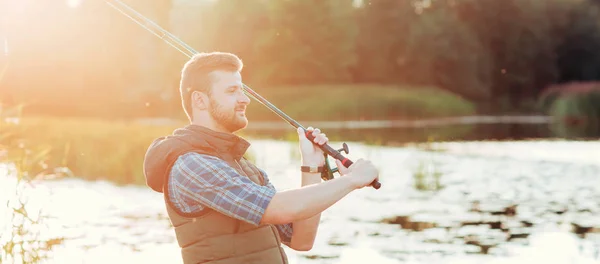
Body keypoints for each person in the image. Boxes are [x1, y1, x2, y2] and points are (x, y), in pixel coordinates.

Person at [142, 51, 380, 264]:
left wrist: (312, 166)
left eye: (243, 90)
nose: (245, 99)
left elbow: (301, 240)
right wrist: (350, 180)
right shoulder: (192, 165)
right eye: (232, 90)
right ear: (199, 100)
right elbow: (274, 208)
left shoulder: (243, 166)